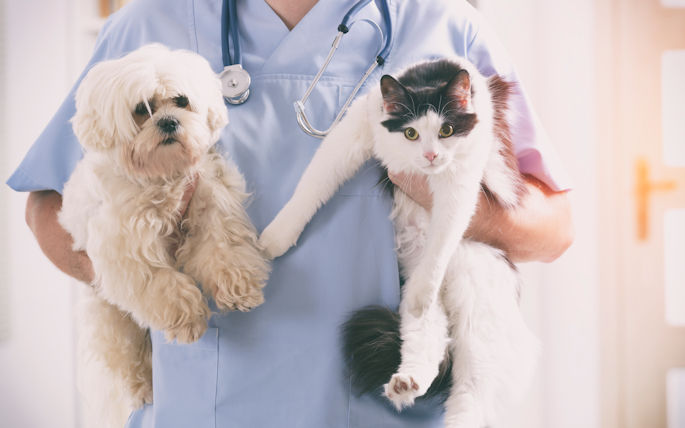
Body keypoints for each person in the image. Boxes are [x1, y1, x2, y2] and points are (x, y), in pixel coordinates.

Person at [10, 0, 573, 426]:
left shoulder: (439, 22)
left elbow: (553, 229)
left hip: (386, 399)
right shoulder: (150, 23)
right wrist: (134, 275)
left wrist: (446, 198)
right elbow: (47, 204)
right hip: (206, 403)